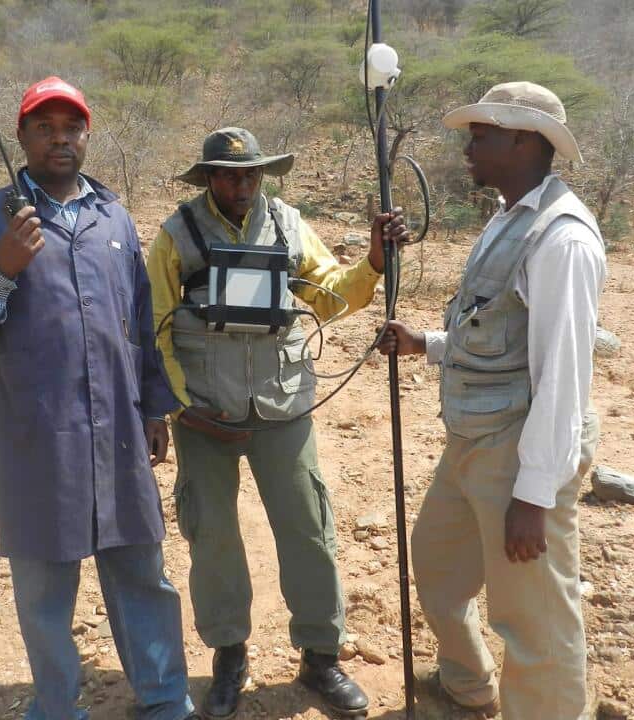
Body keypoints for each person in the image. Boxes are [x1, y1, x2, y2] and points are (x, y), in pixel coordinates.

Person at [0, 76, 195, 720]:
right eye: (43, 128)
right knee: (45, 585)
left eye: (69, 126)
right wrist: (2, 268)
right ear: (21, 138)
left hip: (120, 428)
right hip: (36, 433)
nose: (59, 139)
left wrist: (155, 407)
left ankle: (164, 700)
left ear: (86, 134)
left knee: (141, 570)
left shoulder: (115, 218)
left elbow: (140, 317)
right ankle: (55, 706)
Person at [147, 127, 410, 718]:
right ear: (208, 177)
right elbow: (157, 327)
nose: (240, 184)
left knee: (308, 530)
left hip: (282, 406)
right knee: (211, 538)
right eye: (227, 174)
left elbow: (332, 297)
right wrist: (184, 409)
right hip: (204, 413)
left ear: (263, 175)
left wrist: (372, 259)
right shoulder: (176, 236)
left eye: (250, 174)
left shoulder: (290, 226)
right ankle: (229, 656)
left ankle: (320, 657)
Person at [380, 82, 607, 719]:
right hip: (474, 441)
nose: (469, 148)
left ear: (522, 140)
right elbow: (495, 333)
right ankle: (468, 686)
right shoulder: (509, 219)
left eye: (482, 135)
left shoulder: (562, 240)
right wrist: (425, 343)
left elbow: (563, 378)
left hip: (521, 450)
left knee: (534, 618)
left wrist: (533, 496)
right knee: (438, 567)